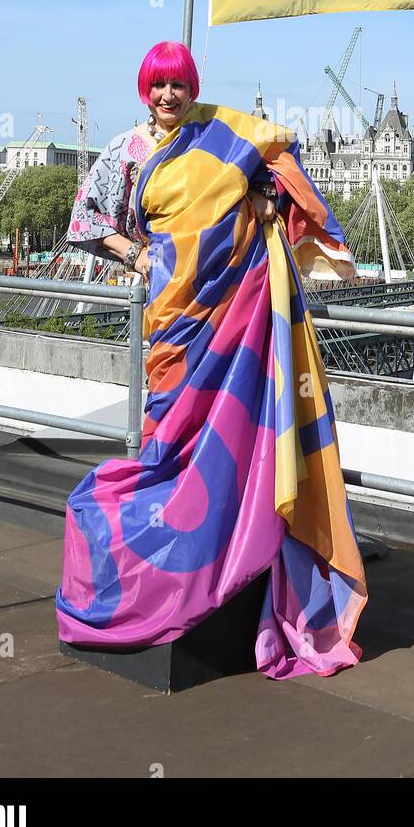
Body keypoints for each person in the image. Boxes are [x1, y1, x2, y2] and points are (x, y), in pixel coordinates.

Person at [55, 40, 366, 679]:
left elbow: (279, 180)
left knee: (225, 429)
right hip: (173, 317)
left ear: (192, 87)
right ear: (144, 89)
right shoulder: (125, 151)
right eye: (157, 86)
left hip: (230, 308)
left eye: (178, 85)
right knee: (168, 431)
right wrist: (137, 254)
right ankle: (173, 544)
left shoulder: (224, 137)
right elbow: (87, 220)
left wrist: (266, 207)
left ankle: (222, 536)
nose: (167, 96)